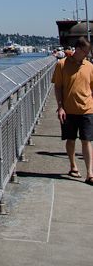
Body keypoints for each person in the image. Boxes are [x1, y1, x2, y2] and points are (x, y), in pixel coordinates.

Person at [52, 36, 93, 183]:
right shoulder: (62, 65)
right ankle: (73, 166)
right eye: (86, 52)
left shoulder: (89, 66)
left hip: (87, 110)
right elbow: (58, 87)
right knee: (70, 140)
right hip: (68, 110)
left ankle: (90, 173)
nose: (88, 55)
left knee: (86, 140)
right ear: (79, 49)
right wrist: (60, 107)